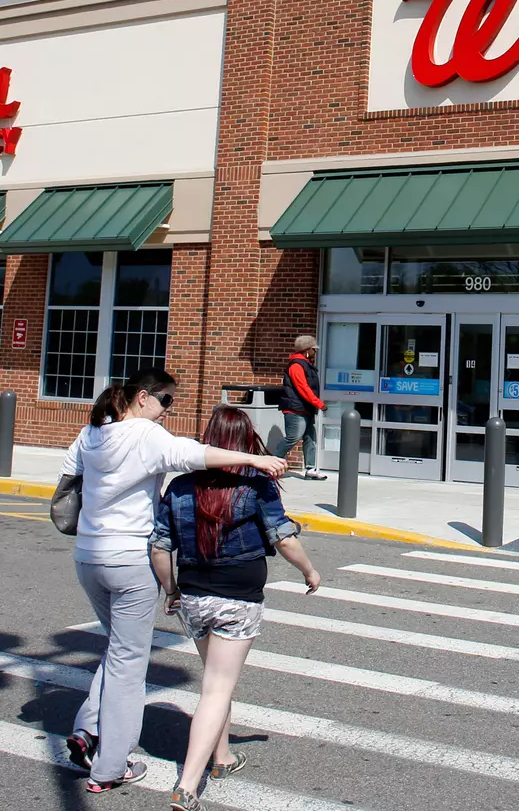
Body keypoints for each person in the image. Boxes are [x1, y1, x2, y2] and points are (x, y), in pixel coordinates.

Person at [61, 368, 287, 794]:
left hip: (87, 556)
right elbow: (195, 455)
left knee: (117, 649)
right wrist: (254, 459)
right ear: (143, 398)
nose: (168, 411)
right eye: (166, 401)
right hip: (128, 559)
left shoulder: (92, 433)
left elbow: (69, 477)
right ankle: (110, 768)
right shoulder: (145, 435)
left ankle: (87, 729)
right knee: (129, 663)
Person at [151, 404, 322, 811]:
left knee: (215, 679)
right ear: (246, 442)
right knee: (217, 688)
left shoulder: (179, 487)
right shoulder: (256, 485)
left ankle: (222, 758)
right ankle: (188, 785)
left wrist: (171, 589)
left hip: (193, 593)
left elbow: (159, 548)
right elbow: (283, 538)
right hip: (237, 597)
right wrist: (309, 571)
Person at [274, 334, 325, 479]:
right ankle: (271, 463)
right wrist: (319, 404)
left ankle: (310, 469)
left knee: (310, 438)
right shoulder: (297, 365)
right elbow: (303, 388)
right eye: (314, 350)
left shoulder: (306, 364)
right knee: (293, 438)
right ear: (307, 350)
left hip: (305, 408)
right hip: (295, 409)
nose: (315, 352)